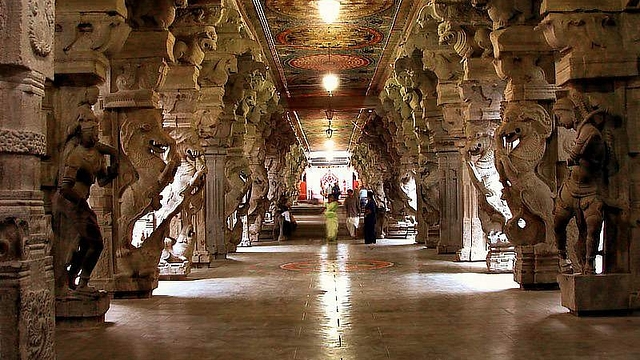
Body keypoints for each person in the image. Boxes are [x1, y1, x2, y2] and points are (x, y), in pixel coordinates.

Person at [53, 114, 118, 295]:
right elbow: (65, 188)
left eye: (96, 133)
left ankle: (73, 278)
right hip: (72, 204)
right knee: (95, 243)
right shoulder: (75, 156)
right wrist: (81, 204)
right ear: (82, 135)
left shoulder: (97, 155)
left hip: (82, 202)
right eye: (91, 133)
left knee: (86, 243)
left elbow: (102, 181)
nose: (95, 137)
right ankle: (81, 282)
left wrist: (112, 172)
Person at [552, 98, 607, 275]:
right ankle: (562, 256)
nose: (559, 121)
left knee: (593, 226)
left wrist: (574, 155)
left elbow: (576, 155)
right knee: (558, 223)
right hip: (571, 187)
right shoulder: (580, 131)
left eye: (560, 116)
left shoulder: (589, 131)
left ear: (571, 112)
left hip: (590, 189)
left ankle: (589, 263)